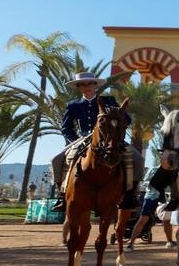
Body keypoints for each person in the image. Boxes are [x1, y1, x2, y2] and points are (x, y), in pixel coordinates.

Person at [50, 71, 142, 212]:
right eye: (82, 84)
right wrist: (75, 141)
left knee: (137, 158)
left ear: (95, 85)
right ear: (78, 87)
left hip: (109, 138)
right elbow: (66, 128)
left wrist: (115, 114)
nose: (86, 86)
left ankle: (131, 194)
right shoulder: (73, 105)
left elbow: (127, 120)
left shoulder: (109, 101)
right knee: (56, 160)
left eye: (89, 83)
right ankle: (62, 195)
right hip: (83, 139)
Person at [128, 167, 176, 249]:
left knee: (166, 220)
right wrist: (155, 183)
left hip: (165, 198)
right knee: (143, 219)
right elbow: (144, 183)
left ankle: (169, 242)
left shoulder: (172, 172)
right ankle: (131, 244)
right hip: (151, 197)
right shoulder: (153, 170)